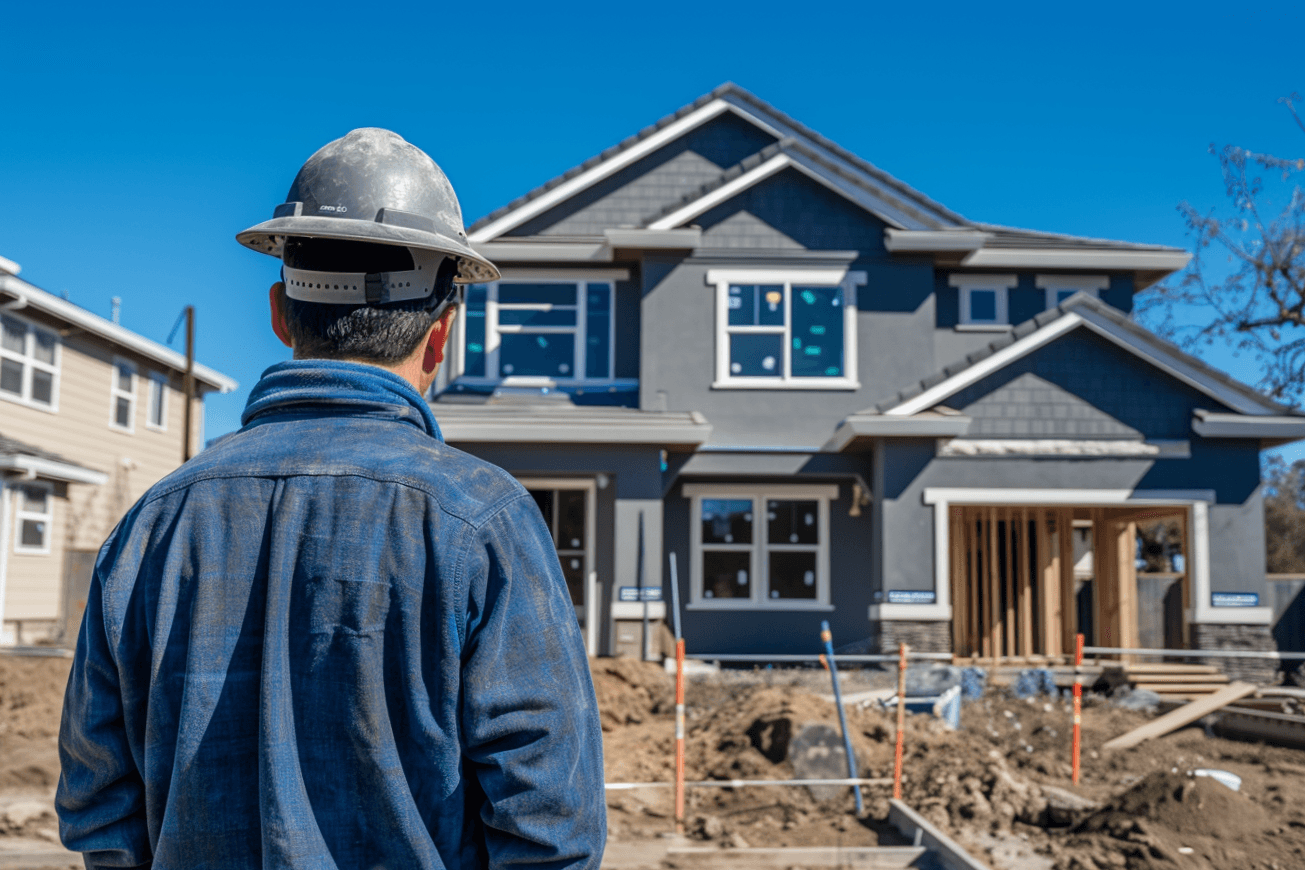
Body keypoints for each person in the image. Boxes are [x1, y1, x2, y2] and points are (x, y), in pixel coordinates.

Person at [57, 128, 606, 869]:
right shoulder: (481, 521)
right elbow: (549, 825)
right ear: (441, 336)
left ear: (282, 314)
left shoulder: (154, 523)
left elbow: (98, 801)